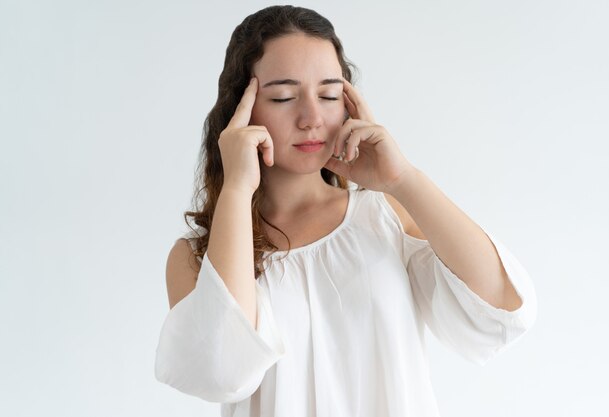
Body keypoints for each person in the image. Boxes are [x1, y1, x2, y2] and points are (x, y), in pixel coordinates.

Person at [154, 5, 538, 417]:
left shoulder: (386, 216)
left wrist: (403, 179)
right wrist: (236, 189)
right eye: (283, 96)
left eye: (329, 94)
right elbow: (223, 373)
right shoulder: (195, 257)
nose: (311, 118)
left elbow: (501, 308)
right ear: (241, 110)